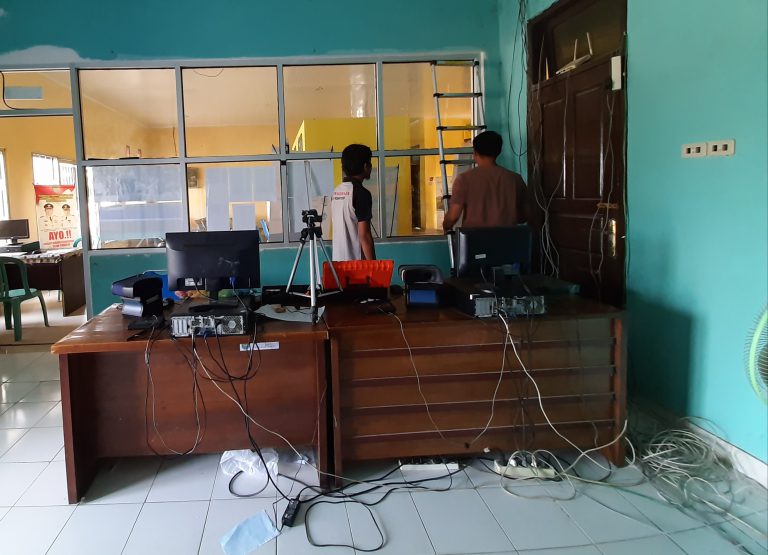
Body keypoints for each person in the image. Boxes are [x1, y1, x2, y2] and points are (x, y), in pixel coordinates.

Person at [442, 130, 527, 231]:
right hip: (509, 238)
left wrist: (445, 227)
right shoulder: (515, 179)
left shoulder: (464, 179)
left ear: (475, 152)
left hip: (474, 238)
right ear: (498, 151)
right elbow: (524, 216)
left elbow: (453, 216)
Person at [331, 144, 376, 261]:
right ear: (365, 166)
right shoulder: (361, 193)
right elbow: (365, 236)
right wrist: (373, 266)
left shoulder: (336, 192)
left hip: (338, 263)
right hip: (356, 265)